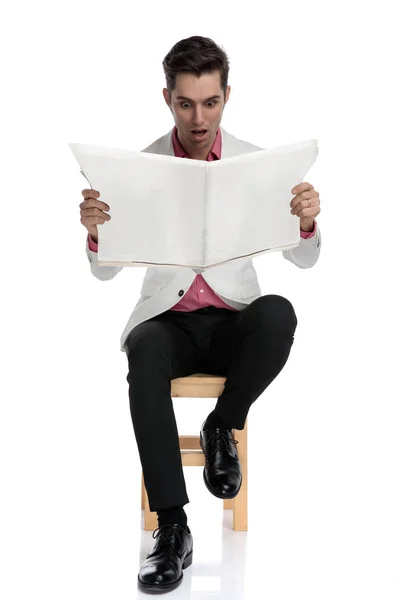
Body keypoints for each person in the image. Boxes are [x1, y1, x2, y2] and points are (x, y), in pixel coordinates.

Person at [79, 35, 322, 594]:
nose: (198, 117)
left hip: (233, 318)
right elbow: (103, 273)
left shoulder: (255, 163)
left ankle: (221, 425)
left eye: (210, 102)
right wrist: (96, 233)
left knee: (279, 311)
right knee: (143, 350)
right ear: (167, 98)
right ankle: (172, 527)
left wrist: (307, 222)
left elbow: (304, 259)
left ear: (226, 96)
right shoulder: (139, 167)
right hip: (169, 319)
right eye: (186, 103)